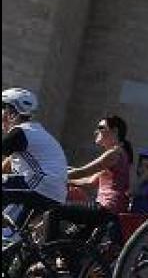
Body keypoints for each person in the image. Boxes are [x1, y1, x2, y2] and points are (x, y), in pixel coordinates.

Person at [2, 88, 68, 236]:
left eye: (2, 108)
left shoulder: (21, 132)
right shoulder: (32, 132)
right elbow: (6, 165)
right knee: (10, 233)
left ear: (12, 112)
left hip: (39, 186)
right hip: (52, 191)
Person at [67, 114, 133, 214]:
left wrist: (57, 173)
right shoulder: (117, 153)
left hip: (107, 207)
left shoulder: (114, 154)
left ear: (114, 131)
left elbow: (82, 172)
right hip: (109, 207)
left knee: (54, 211)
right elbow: (89, 182)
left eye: (101, 128)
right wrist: (64, 173)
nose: (96, 132)